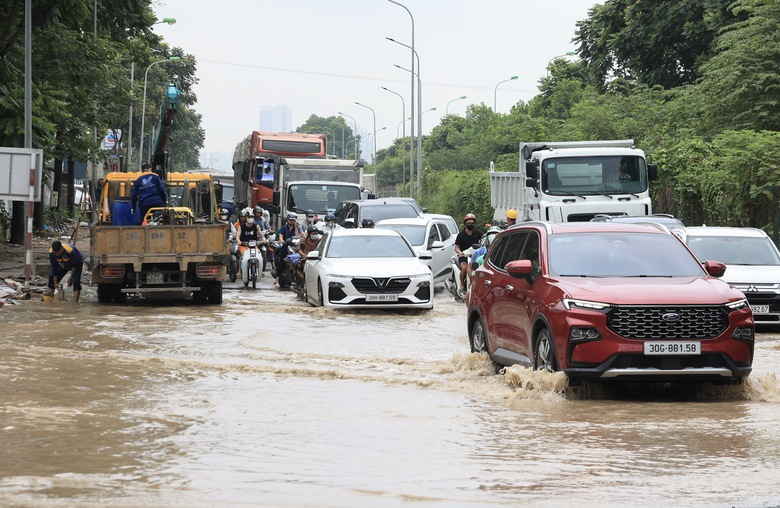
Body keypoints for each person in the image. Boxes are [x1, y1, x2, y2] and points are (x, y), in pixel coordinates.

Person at [454, 213, 482, 298]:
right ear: (465, 224)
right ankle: (462, 285)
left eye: (472, 223)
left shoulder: (477, 233)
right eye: (469, 223)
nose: (471, 225)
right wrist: (460, 253)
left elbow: (483, 242)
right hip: (464, 257)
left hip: (475, 256)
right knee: (465, 267)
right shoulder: (461, 235)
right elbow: (456, 247)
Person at [236, 209, 264, 287]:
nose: (250, 218)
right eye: (249, 217)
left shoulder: (256, 226)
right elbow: (237, 236)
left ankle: (260, 269)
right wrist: (238, 241)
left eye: (252, 216)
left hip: (254, 245)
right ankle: (239, 271)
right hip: (244, 245)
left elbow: (261, 235)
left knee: (259, 254)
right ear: (246, 218)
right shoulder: (241, 227)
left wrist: (264, 240)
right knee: (242, 255)